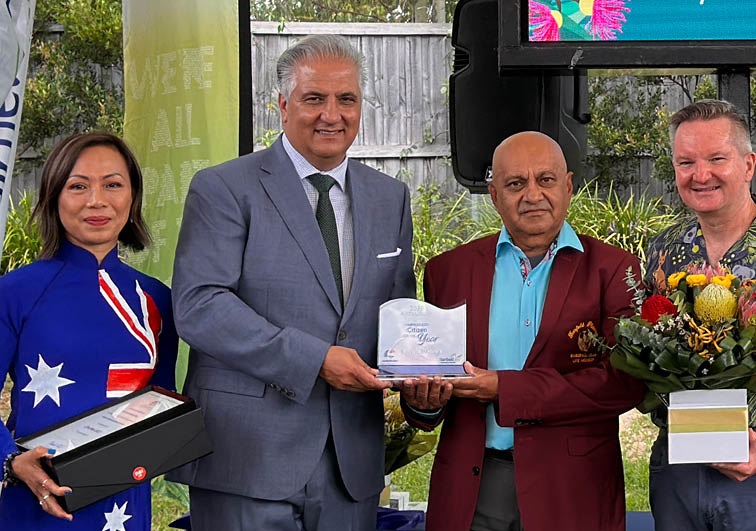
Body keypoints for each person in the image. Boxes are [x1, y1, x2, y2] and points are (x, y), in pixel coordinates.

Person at [167, 34, 415, 531]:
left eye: (346, 99)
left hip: (351, 466)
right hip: (247, 459)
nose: (332, 114)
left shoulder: (391, 198)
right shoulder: (223, 188)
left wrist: (424, 378)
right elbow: (199, 305)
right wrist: (315, 360)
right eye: (313, 99)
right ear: (282, 105)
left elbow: (399, 311)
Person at [401, 131, 645, 531]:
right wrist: (424, 402)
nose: (532, 194)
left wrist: (504, 389)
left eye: (545, 180)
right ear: (495, 195)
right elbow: (433, 391)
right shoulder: (448, 273)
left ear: (567, 187)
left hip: (572, 488)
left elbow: (621, 384)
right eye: (516, 183)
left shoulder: (613, 270)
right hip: (473, 487)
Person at [645, 99, 756, 530]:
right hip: (678, 470)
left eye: (716, 159)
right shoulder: (664, 251)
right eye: (685, 161)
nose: (700, 174)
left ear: (748, 165)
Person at [0, 132, 178, 530]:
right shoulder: (14, 292)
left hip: (126, 505)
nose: (97, 200)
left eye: (113, 184)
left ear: (132, 198)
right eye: (78, 186)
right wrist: (11, 461)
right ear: (53, 197)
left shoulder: (157, 299)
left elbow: (161, 405)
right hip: (37, 504)